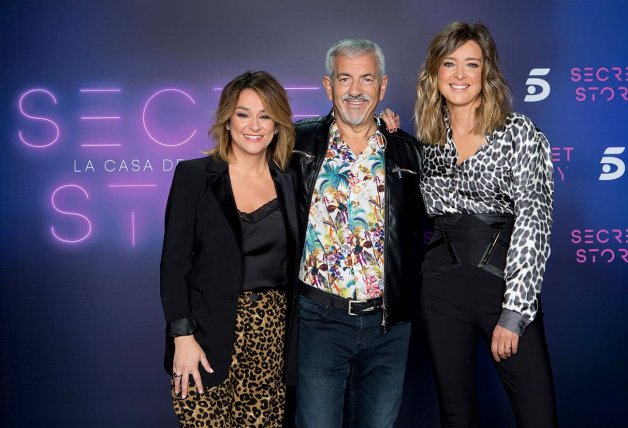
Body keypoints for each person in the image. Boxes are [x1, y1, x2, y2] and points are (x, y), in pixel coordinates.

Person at [414, 22, 559, 427]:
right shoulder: (426, 141)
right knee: (456, 415)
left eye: (471, 65)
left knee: (537, 416)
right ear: (435, 73)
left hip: (502, 285)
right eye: (449, 64)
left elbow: (535, 221)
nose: (459, 75)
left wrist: (514, 314)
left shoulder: (519, 134)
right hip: (440, 287)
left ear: (487, 72)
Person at [290, 39, 424, 428]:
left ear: (382, 86)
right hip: (319, 319)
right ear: (328, 85)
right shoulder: (297, 143)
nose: (355, 90)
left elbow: (428, 232)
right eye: (344, 78)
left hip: (388, 323)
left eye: (366, 79)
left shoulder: (408, 152)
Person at [160, 70, 298, 427]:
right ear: (227, 119)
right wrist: (182, 336)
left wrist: (381, 123)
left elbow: (340, 129)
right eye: (243, 113)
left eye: (265, 115)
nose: (254, 125)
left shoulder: (290, 180)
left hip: (271, 339)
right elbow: (174, 266)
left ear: (278, 123)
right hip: (205, 336)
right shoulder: (194, 176)